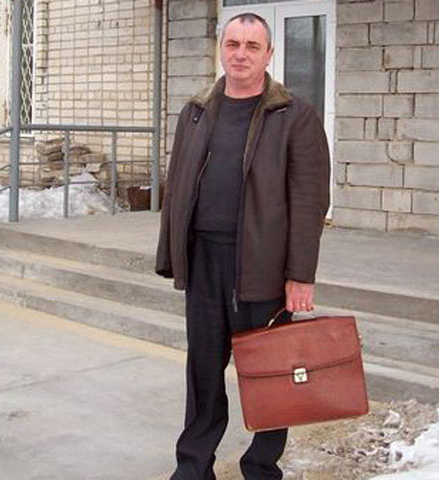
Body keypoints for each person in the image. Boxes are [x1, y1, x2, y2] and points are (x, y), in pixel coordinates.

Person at [155, 11, 330, 480]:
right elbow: (177, 186)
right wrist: (172, 255)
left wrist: (300, 275)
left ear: (269, 54)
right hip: (205, 261)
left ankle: (261, 466)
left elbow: (309, 201)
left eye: (252, 46)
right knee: (203, 370)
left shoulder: (294, 115)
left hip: (263, 266)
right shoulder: (195, 112)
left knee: (270, 371)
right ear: (221, 49)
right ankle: (194, 466)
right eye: (233, 44)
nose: (241, 54)